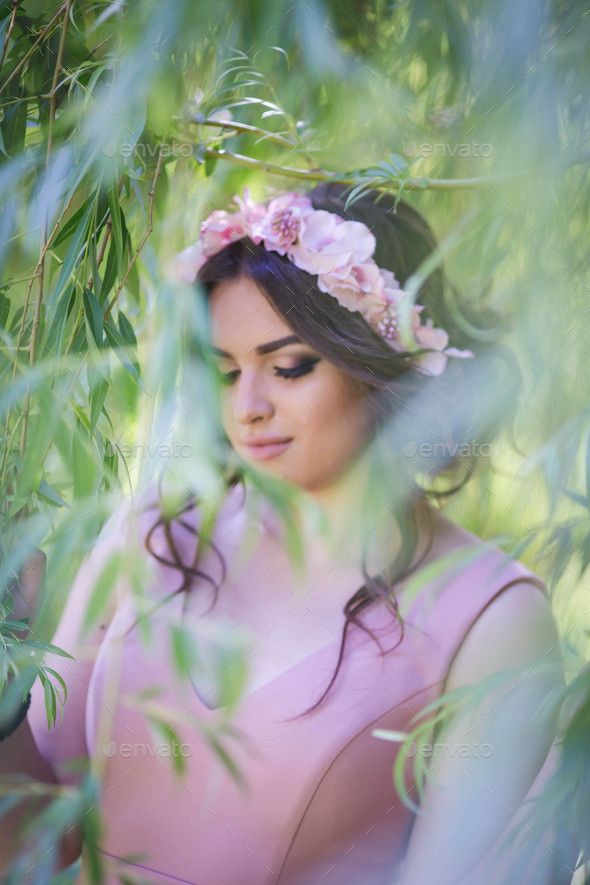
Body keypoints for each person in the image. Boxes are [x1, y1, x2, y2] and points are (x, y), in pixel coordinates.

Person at [16, 182, 572, 884]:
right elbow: (33, 839)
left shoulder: (490, 616)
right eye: (225, 373)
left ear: (382, 361)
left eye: (288, 367)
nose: (246, 407)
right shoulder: (154, 533)